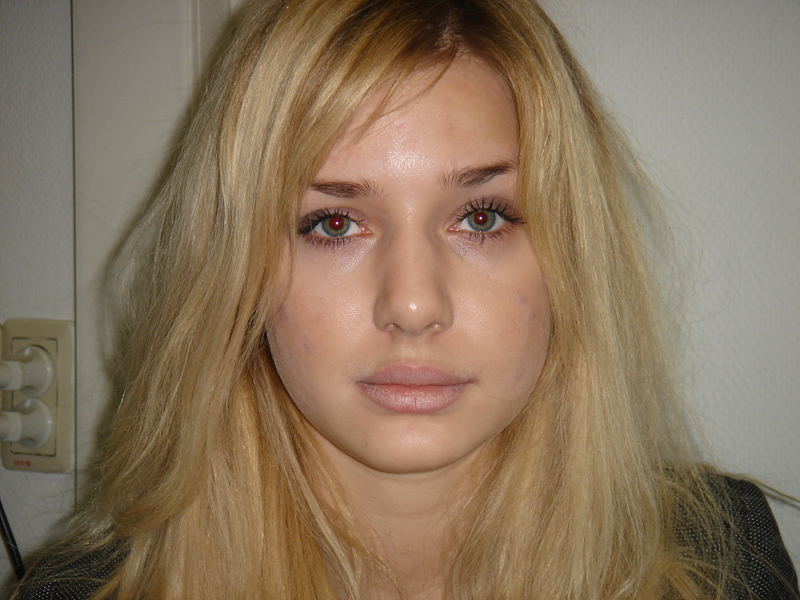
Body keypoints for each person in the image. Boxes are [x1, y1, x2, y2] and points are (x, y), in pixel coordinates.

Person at [15, 0, 798, 599]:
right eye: (334, 223)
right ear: (236, 272)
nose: (415, 306)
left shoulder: (722, 561)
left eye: (481, 218)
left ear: (571, 253)